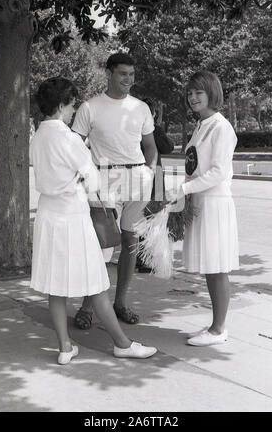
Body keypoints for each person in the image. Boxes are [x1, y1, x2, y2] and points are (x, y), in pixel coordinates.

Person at [30, 77, 157, 364]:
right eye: (72, 104)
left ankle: (64, 347)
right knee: (96, 281)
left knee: (55, 285)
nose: (74, 109)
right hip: (72, 217)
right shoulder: (68, 138)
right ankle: (121, 344)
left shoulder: (37, 136)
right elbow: (94, 178)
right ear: (62, 104)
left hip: (48, 215)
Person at [72, 52, 158, 329]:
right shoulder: (90, 107)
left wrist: (151, 171)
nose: (128, 80)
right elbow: (74, 146)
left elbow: (150, 146)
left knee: (131, 243)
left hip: (137, 178)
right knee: (102, 246)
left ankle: (120, 302)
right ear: (109, 73)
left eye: (132, 75)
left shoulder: (141, 108)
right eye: (123, 74)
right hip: (105, 180)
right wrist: (86, 177)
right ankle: (88, 306)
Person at [174, 70, 239, 346]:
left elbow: (218, 172)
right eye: (189, 93)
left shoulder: (221, 127)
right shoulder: (202, 125)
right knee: (210, 266)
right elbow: (194, 165)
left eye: (198, 92)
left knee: (217, 265)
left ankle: (219, 329)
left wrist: (184, 189)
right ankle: (215, 324)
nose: (192, 98)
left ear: (212, 93)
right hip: (199, 200)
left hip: (214, 203)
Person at [136, 99, 174, 272]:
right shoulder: (153, 129)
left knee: (138, 215)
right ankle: (148, 259)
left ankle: (139, 257)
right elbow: (168, 147)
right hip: (154, 176)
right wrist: (158, 128)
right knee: (153, 217)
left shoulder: (130, 127)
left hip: (134, 176)